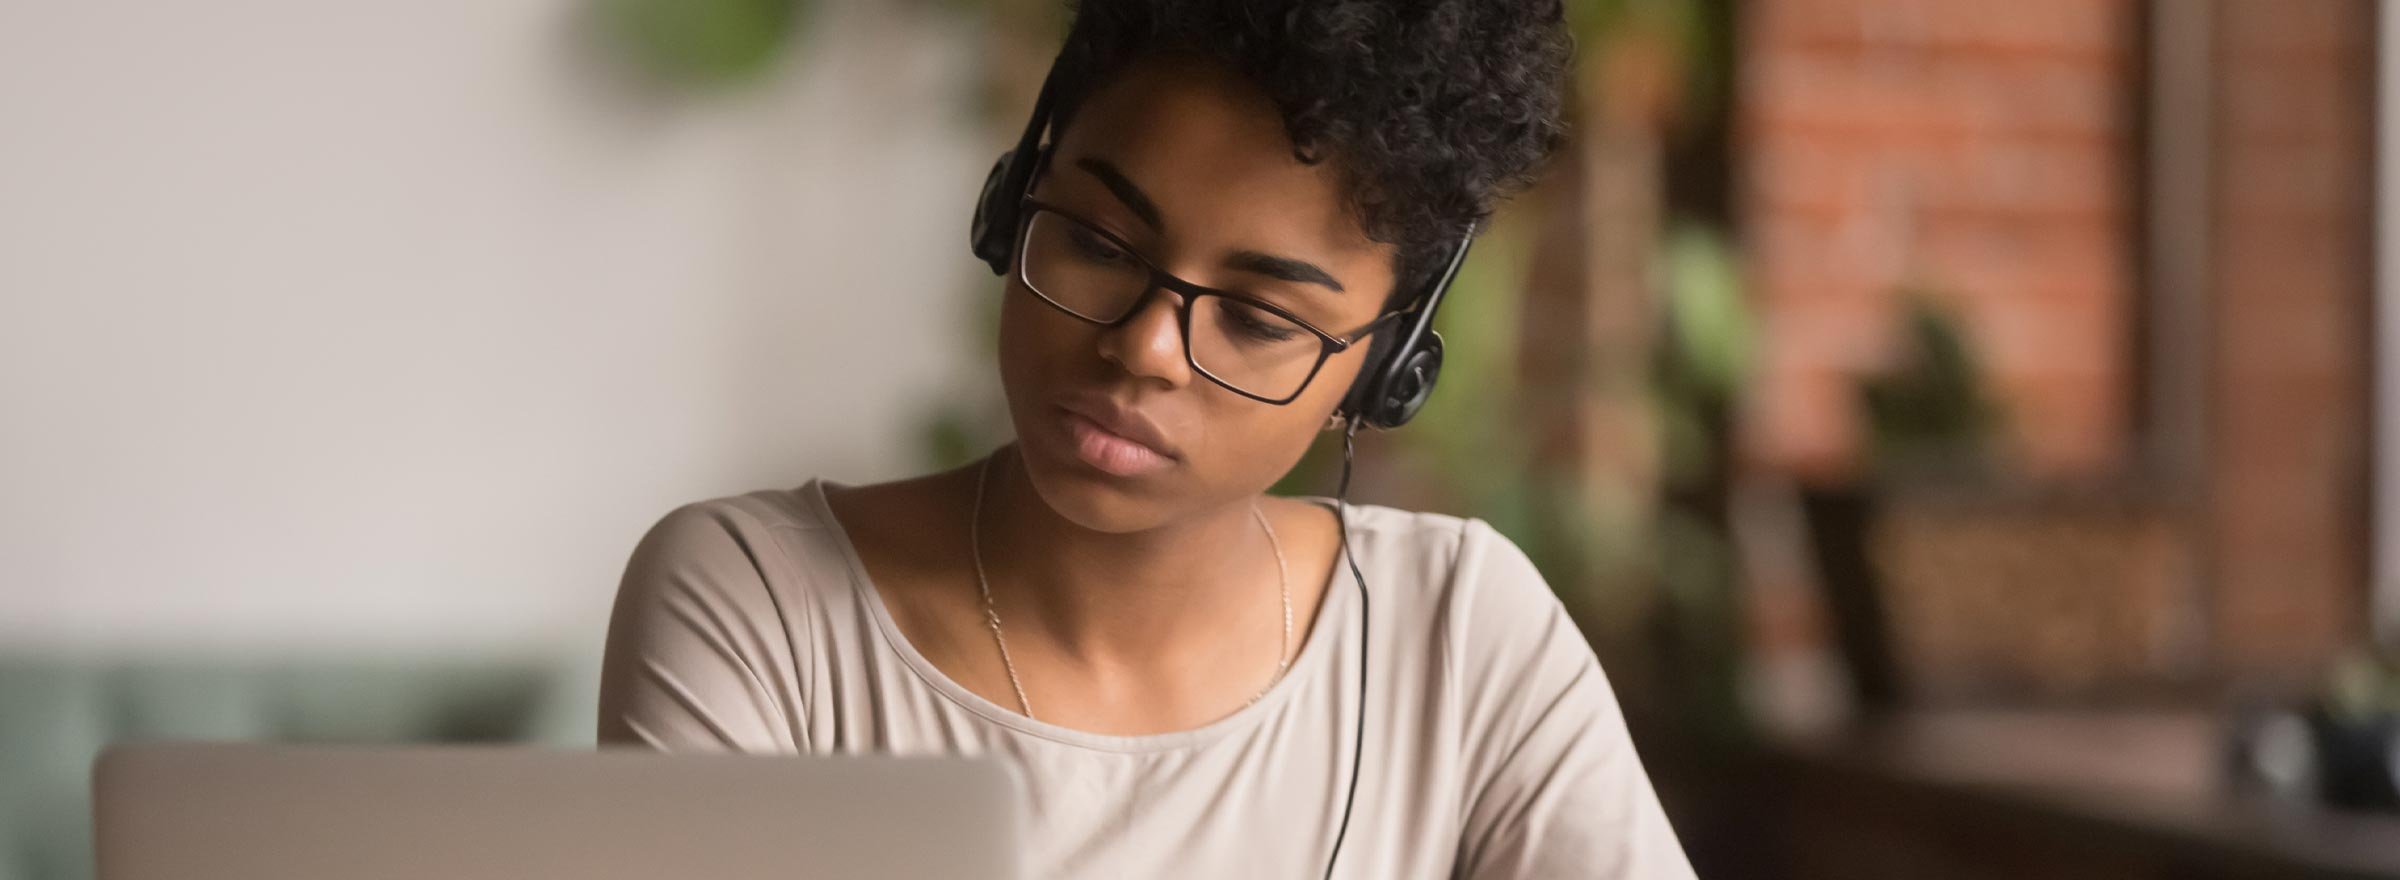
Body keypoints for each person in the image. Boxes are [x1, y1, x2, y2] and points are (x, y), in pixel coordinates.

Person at [597, 1, 1696, 877]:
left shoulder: (1464, 641)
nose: (1149, 350)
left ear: (1383, 369)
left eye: (1260, 318)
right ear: (1009, 205)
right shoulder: (757, 606)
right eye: (1094, 241)